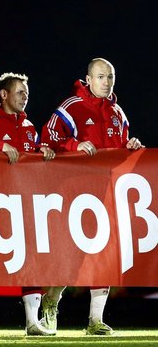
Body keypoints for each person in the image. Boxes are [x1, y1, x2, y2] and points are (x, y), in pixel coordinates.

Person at [39, 58, 143, 336]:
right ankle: (51, 302)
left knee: (105, 257)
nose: (107, 82)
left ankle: (95, 320)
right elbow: (46, 141)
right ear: (88, 78)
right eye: (101, 77)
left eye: (110, 77)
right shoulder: (71, 107)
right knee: (71, 257)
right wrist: (74, 144)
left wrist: (131, 146)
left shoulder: (118, 113)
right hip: (75, 194)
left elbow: (120, 151)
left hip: (107, 194)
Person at [0, 72, 56, 336]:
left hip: (24, 204)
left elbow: (33, 155)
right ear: (4, 94)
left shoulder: (30, 126)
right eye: (20, 92)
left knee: (32, 260)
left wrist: (44, 150)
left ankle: (32, 321)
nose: (25, 97)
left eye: (26, 93)